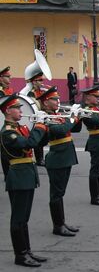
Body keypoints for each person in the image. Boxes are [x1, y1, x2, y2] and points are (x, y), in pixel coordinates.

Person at [0, 95, 49, 267]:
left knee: (24, 218)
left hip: (27, 175)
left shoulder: (20, 128)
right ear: (8, 110)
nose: (21, 111)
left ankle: (27, 251)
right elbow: (28, 144)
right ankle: (20, 255)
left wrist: (45, 126)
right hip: (19, 176)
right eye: (17, 108)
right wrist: (40, 126)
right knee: (18, 218)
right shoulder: (8, 132)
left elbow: (38, 142)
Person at [38, 87, 81, 237]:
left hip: (65, 157)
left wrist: (78, 118)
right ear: (45, 102)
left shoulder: (56, 115)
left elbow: (75, 129)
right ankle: (57, 225)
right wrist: (73, 117)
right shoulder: (44, 117)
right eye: (54, 99)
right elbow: (61, 130)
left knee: (60, 193)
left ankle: (62, 222)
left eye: (57, 98)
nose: (58, 101)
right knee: (56, 194)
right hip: (57, 158)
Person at [26, 72, 48, 167]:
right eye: (40, 80)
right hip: (36, 116)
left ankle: (40, 158)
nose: (42, 82)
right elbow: (34, 105)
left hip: (42, 115)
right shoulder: (32, 92)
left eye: (42, 80)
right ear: (34, 82)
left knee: (42, 138)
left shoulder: (41, 91)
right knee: (38, 139)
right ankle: (39, 159)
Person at [0, 66, 13, 179]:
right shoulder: (0, 92)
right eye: (7, 77)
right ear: (1, 78)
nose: (10, 79)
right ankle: (7, 174)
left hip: (7, 121)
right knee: (4, 149)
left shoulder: (7, 90)